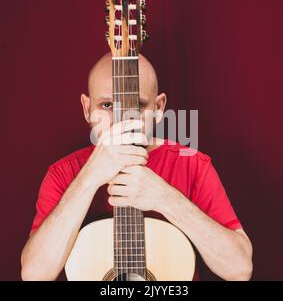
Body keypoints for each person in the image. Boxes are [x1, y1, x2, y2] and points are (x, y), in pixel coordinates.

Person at [20, 53, 253, 281]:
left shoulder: (193, 164)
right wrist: (88, 179)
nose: (122, 119)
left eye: (138, 105)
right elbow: (35, 275)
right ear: (86, 108)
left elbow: (239, 270)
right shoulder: (63, 174)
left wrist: (166, 198)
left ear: (159, 107)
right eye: (107, 105)